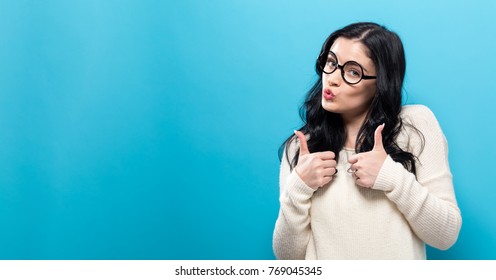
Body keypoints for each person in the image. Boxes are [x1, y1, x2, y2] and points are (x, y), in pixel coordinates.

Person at [272, 22, 462, 259]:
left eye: (353, 72)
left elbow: (445, 235)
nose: (331, 79)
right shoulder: (302, 147)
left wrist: (391, 177)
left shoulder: (416, 125)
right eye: (331, 62)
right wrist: (298, 188)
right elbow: (287, 258)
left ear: (380, 84)